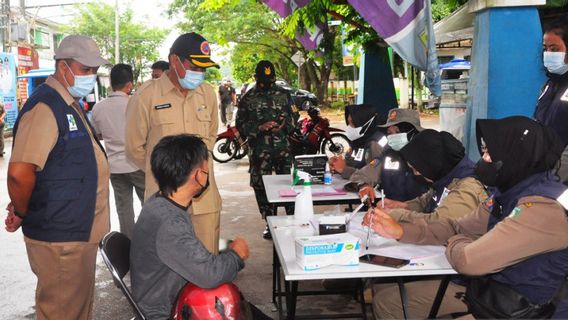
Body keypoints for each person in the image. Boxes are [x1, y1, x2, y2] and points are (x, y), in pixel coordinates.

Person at [364, 116, 568, 319]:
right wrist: (401, 231)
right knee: (387, 293)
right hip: (494, 297)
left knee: (390, 303)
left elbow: (468, 260)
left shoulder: (542, 209)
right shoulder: (507, 194)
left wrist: (459, 240)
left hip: (528, 311)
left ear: (516, 156)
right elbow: (456, 225)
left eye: (490, 154)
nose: (483, 159)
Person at [4, 35, 109, 320]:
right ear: (63, 67)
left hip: (75, 232)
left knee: (75, 312)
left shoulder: (68, 103)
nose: (91, 76)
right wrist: (23, 210)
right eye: (85, 70)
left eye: (94, 71)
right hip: (61, 238)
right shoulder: (46, 106)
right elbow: (19, 173)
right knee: (63, 313)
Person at [130, 134, 270, 320]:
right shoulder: (170, 222)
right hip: (167, 310)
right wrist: (237, 255)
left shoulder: (158, 203)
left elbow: (184, 252)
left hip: (170, 295)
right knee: (232, 297)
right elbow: (210, 276)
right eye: (206, 168)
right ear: (197, 175)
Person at [125, 32, 222, 253]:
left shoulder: (207, 94)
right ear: (174, 60)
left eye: (203, 69)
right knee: (167, 273)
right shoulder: (146, 96)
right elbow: (134, 148)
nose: (200, 74)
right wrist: (169, 174)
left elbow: (211, 136)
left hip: (204, 202)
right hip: (165, 202)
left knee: (206, 269)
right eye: (194, 67)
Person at [236, 60, 298, 239]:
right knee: (260, 186)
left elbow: (294, 116)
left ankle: (291, 219)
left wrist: (284, 127)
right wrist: (259, 127)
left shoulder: (284, 95)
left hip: (282, 149)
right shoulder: (248, 98)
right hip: (259, 151)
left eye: (270, 81)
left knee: (286, 185)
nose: (268, 85)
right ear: (256, 78)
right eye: (264, 81)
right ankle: (270, 222)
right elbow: (240, 125)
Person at [372, 129, 487, 223]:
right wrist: (403, 205)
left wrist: (397, 215)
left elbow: (439, 223)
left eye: (417, 169)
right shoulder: (445, 178)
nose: (416, 174)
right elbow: (428, 200)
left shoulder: (468, 187)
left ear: (431, 164)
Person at [92, 63, 145, 239]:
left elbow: (97, 134)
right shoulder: (137, 104)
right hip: (138, 164)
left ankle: (129, 246)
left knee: (124, 209)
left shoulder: (98, 108)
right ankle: (149, 242)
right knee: (150, 205)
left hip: (114, 167)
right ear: (129, 85)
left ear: (111, 83)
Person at [351, 108, 428, 202]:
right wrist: (363, 185)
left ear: (413, 132)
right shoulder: (387, 156)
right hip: (391, 212)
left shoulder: (429, 156)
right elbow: (361, 174)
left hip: (420, 214)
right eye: (389, 133)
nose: (393, 136)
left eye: (398, 131)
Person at [535, 19, 568, 184]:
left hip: (560, 176)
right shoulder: (549, 85)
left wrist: (555, 177)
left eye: (554, 49)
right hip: (541, 168)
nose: (548, 54)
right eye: (545, 49)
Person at [329, 104, 386, 177]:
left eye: (353, 123)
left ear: (365, 123)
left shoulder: (375, 144)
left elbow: (373, 174)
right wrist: (337, 164)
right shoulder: (358, 141)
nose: (350, 127)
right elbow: (354, 163)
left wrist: (344, 170)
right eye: (348, 123)